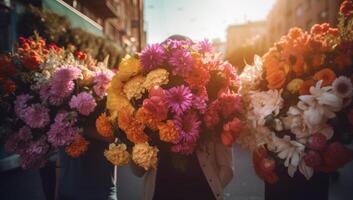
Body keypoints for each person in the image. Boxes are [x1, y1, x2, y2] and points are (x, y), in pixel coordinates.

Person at [130, 35, 234, 200]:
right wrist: (131, 133)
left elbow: (227, 168)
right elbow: (137, 170)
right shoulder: (144, 113)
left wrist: (212, 189)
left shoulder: (212, 107)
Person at [57, 112, 117, 200]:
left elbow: (113, 136)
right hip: (68, 189)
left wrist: (80, 129)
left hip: (101, 190)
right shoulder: (59, 103)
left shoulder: (109, 101)